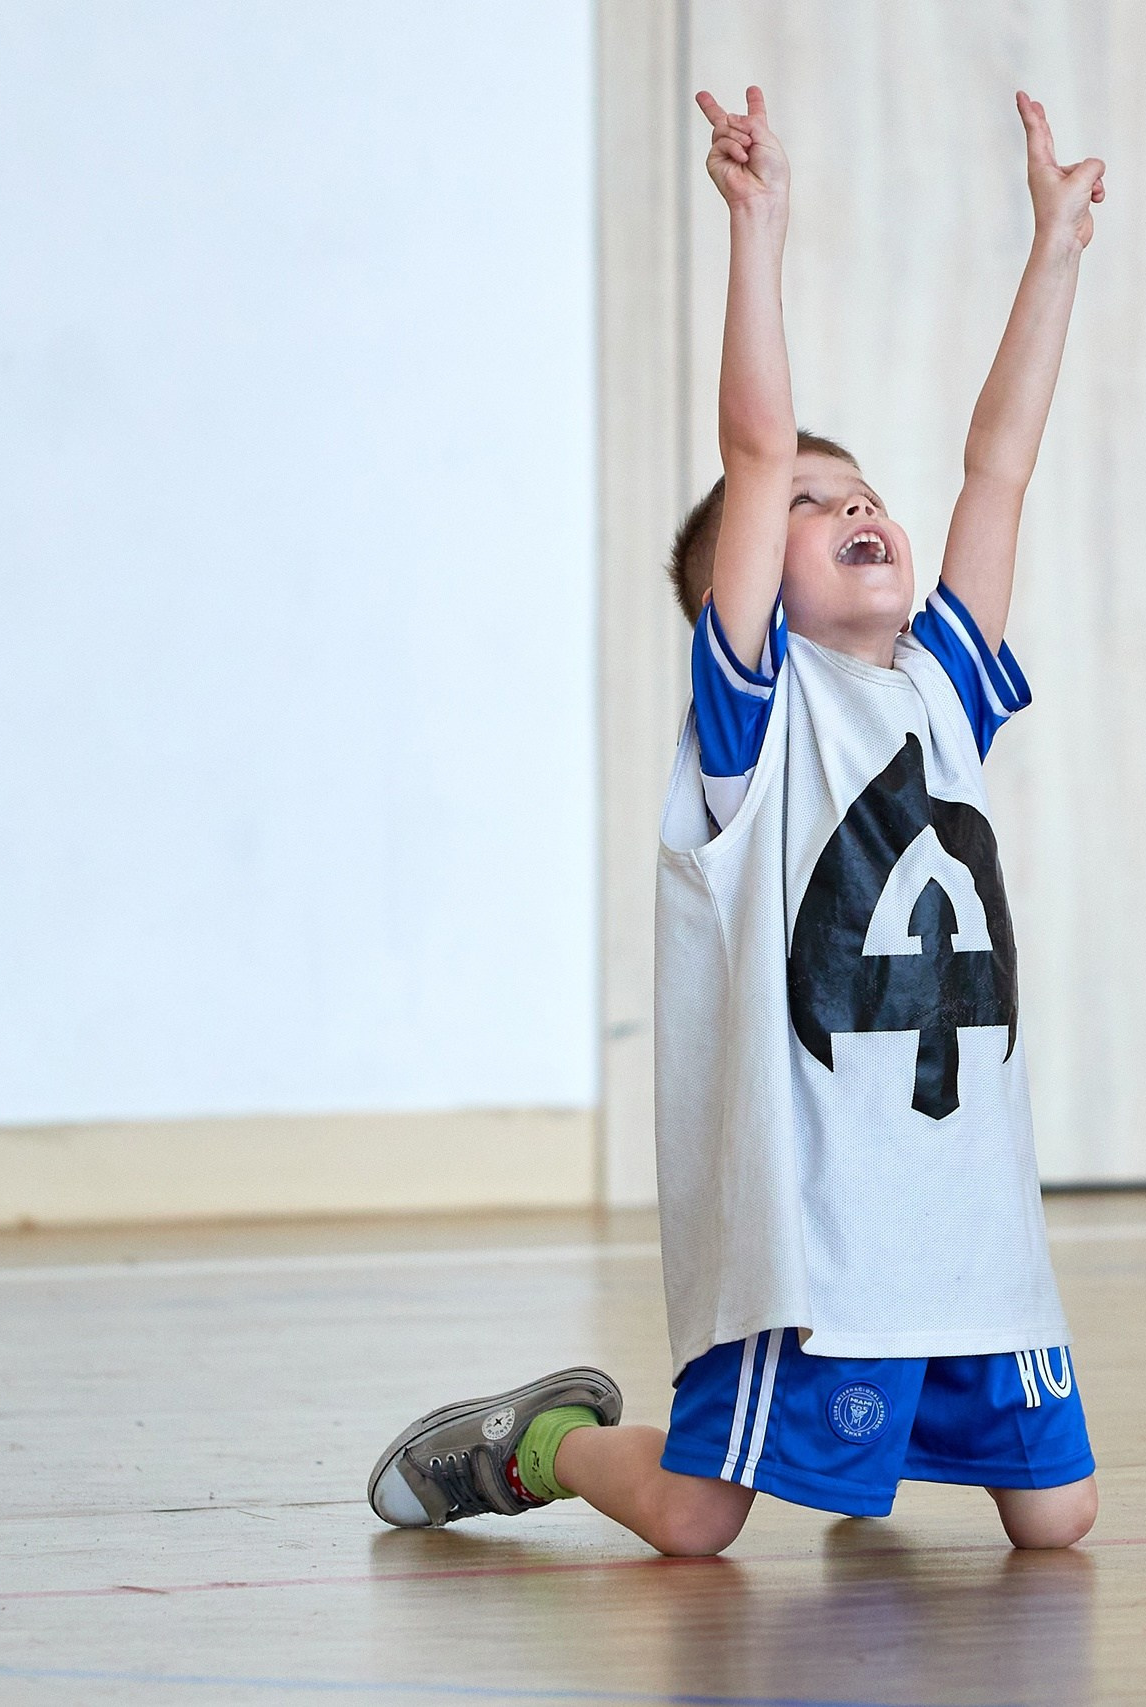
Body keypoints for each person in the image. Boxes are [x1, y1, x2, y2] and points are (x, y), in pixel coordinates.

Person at [364, 86, 1106, 1555]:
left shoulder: (942, 693)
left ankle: (868, 1475)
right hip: (820, 1236)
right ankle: (553, 1443)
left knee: (1060, 1517)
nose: (856, 507)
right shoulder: (758, 724)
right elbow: (757, 449)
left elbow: (999, 465)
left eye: (865, 494)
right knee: (702, 1524)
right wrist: (757, 228)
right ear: (753, 582)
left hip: (966, 1229)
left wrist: (1057, 250)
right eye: (816, 509)